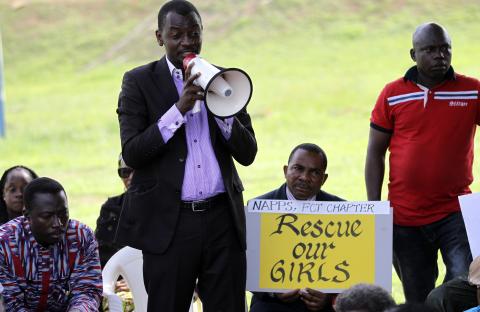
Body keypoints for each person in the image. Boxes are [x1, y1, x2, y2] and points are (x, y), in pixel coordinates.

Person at [115, 1, 257, 311]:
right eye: (176, 34)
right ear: (159, 37)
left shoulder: (224, 79)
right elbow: (133, 152)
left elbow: (248, 154)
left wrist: (222, 110)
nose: (187, 42)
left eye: (194, 33)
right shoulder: (139, 81)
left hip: (222, 220)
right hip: (170, 222)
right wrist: (178, 110)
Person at [365, 22, 476, 302]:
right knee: (417, 297)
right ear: (414, 55)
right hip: (405, 217)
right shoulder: (392, 94)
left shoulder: (472, 91)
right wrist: (375, 207)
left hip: (456, 211)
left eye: (445, 49)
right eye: (430, 50)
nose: (440, 55)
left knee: (463, 287)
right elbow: (375, 153)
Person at [249, 143, 341, 312]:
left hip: (322, 306)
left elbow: (352, 270)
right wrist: (273, 292)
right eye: (298, 168)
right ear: (286, 171)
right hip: (271, 304)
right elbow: (246, 267)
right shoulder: (258, 208)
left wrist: (330, 296)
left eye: (314, 172)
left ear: (324, 179)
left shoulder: (342, 211)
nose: (304, 177)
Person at [0, 177, 102, 311]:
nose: (58, 224)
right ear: (27, 215)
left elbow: (87, 290)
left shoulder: (81, 237)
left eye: (63, 214)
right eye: (47, 216)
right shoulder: (5, 243)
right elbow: (9, 303)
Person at [95, 153, 132, 268]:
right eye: (125, 172)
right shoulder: (111, 208)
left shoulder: (166, 207)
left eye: (139, 171)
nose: (131, 177)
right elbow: (100, 257)